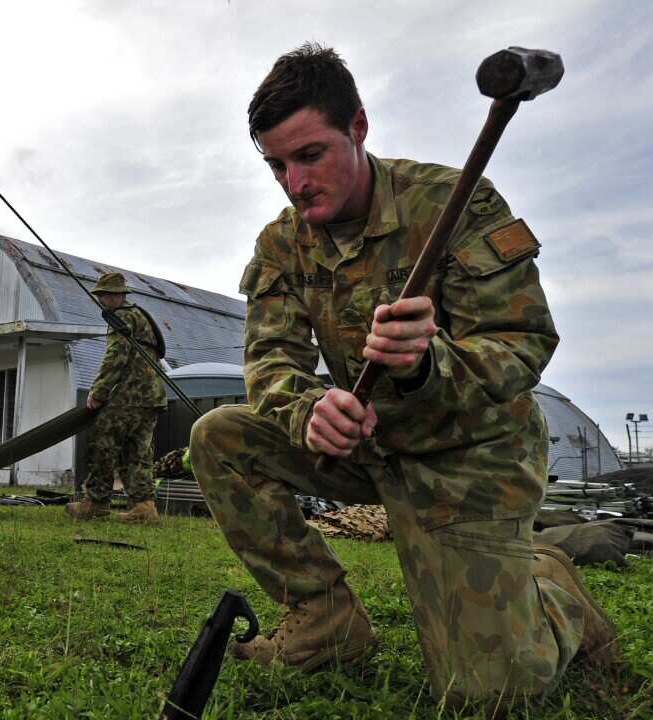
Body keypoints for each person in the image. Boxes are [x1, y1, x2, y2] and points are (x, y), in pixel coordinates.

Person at [188, 43, 619, 707]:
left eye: (310, 155)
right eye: (276, 165)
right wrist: (308, 412)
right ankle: (324, 619)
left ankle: (550, 585)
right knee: (220, 435)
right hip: (373, 445)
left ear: (358, 127)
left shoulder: (454, 205)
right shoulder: (282, 243)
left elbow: (522, 342)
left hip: (469, 459)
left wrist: (428, 364)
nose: (295, 182)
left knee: (488, 694)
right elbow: (271, 358)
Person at [66, 272, 167, 523]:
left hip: (129, 395)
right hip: (151, 396)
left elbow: (116, 356)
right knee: (137, 452)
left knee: (102, 443)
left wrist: (99, 391)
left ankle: (95, 503)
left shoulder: (121, 317)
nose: (100, 300)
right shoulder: (139, 315)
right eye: (99, 295)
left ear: (116, 295)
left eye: (103, 295)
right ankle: (144, 506)